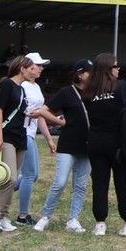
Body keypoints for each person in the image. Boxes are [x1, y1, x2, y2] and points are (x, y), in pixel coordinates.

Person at [34, 59, 93, 233]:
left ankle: (73, 219)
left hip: (88, 145)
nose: (93, 75)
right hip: (68, 145)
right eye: (90, 72)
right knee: (60, 183)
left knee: (81, 185)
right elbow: (43, 111)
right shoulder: (67, 92)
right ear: (80, 74)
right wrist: (60, 123)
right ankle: (45, 217)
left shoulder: (94, 93)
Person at [84, 53, 126, 236]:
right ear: (108, 68)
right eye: (115, 66)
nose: (118, 68)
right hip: (119, 143)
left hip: (97, 141)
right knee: (123, 183)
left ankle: (100, 223)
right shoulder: (122, 87)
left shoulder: (89, 91)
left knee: (99, 183)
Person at [0, 56, 33, 233]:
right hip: (7, 137)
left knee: (12, 180)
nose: (32, 72)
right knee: (10, 178)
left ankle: (4, 216)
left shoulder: (22, 89)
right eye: (30, 68)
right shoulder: (6, 84)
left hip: (20, 137)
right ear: (22, 68)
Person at [15, 53, 55, 225]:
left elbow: (40, 115)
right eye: (38, 65)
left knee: (33, 174)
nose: (41, 68)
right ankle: (23, 215)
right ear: (28, 66)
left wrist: (48, 138)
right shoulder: (21, 86)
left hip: (31, 133)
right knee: (30, 174)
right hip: (23, 132)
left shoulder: (36, 87)